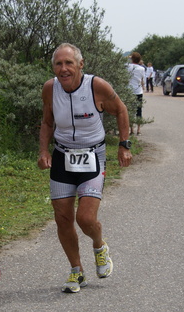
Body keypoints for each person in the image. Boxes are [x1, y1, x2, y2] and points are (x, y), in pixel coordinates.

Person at [38, 43, 133, 293]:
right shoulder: (50, 88)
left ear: (81, 64)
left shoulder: (96, 86)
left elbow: (121, 110)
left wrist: (124, 145)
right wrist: (44, 151)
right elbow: (47, 122)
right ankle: (76, 271)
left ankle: (99, 246)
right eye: (58, 64)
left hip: (92, 156)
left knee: (85, 218)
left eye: (69, 63)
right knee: (63, 218)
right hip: (62, 156)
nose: (64, 68)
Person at [127, 52, 145, 135]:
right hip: (138, 91)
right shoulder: (141, 69)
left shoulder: (128, 67)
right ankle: (139, 130)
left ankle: (131, 129)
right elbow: (143, 81)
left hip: (129, 91)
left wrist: (129, 57)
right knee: (139, 110)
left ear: (132, 59)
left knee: (130, 110)